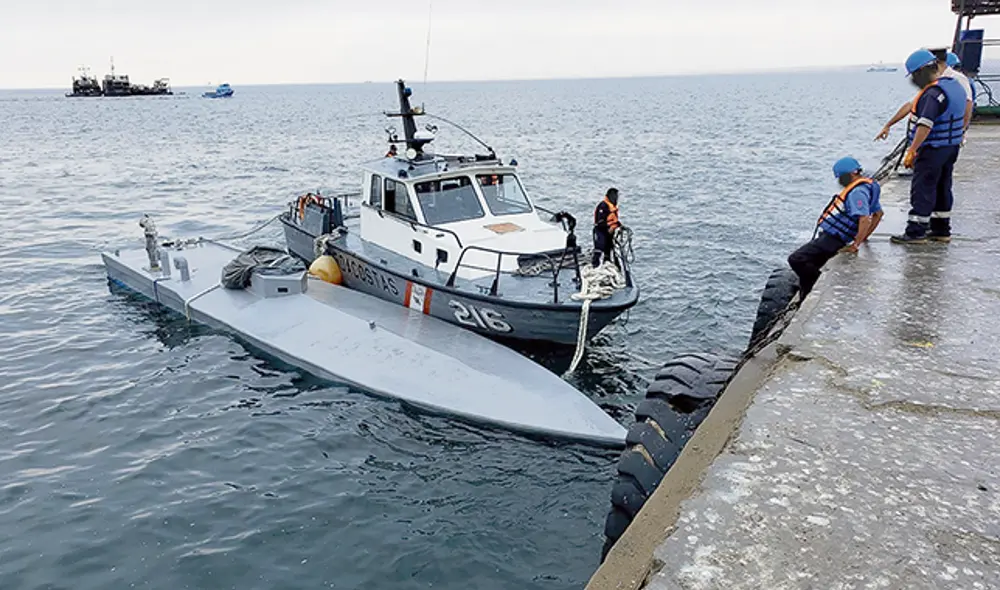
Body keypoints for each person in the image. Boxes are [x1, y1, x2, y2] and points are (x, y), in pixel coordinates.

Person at [890, 49, 966, 244]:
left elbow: (925, 124)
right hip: (951, 146)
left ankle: (916, 232)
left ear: (921, 72)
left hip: (933, 148)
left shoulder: (933, 94)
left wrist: (912, 150)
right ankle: (941, 229)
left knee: (923, 187)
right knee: (943, 186)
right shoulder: (955, 86)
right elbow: (968, 109)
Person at [787, 157, 883, 297]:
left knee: (796, 259)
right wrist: (864, 237)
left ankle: (815, 284)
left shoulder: (857, 193)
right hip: (838, 236)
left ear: (851, 175)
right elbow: (878, 214)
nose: (840, 182)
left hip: (835, 238)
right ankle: (805, 290)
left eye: (841, 178)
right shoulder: (869, 186)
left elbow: (864, 219)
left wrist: (856, 244)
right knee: (812, 259)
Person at [875, 49, 973, 142]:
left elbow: (968, 105)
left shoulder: (957, 80)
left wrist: (961, 132)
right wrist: (888, 125)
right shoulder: (933, 84)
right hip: (936, 138)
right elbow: (910, 105)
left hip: (944, 139)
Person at [592, 188, 621, 267]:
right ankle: (595, 265)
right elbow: (600, 222)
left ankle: (607, 263)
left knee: (609, 247)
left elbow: (614, 220)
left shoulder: (612, 207)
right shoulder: (603, 206)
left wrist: (617, 226)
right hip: (601, 230)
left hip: (610, 231)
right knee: (600, 246)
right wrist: (609, 227)